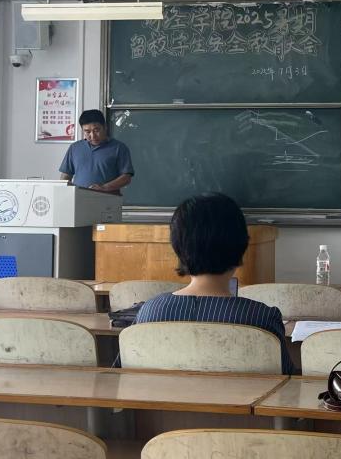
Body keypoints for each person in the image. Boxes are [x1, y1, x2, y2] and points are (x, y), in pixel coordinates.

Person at [134, 192, 293, 374]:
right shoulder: (261, 318)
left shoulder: (150, 313)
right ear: (241, 246)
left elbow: (124, 373)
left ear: (177, 247)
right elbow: (286, 381)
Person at [59, 109, 134, 194]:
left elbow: (126, 178)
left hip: (107, 199)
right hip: (79, 198)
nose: (92, 135)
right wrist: (64, 193)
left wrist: (104, 188)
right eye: (87, 132)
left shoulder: (119, 148)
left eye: (96, 130)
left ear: (105, 127)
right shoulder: (75, 148)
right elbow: (65, 176)